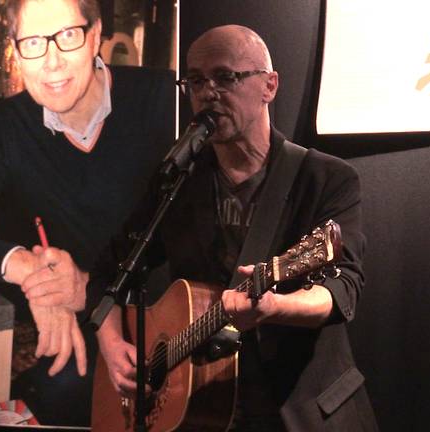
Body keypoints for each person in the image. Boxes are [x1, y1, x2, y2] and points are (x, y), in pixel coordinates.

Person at [85, 25, 379, 431]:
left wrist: (273, 306)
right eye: (195, 80)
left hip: (301, 411)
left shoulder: (325, 178)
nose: (208, 92)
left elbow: (342, 289)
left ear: (269, 86)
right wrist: (113, 344)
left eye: (225, 77)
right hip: (204, 411)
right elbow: (109, 274)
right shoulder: (179, 184)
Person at [0, 0, 174, 425]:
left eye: (68, 36)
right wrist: (28, 269)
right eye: (34, 42)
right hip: (80, 327)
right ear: (18, 53)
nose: (51, 61)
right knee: (57, 393)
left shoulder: (166, 99)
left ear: (95, 35)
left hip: (168, 309)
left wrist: (95, 297)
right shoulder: (7, 126)